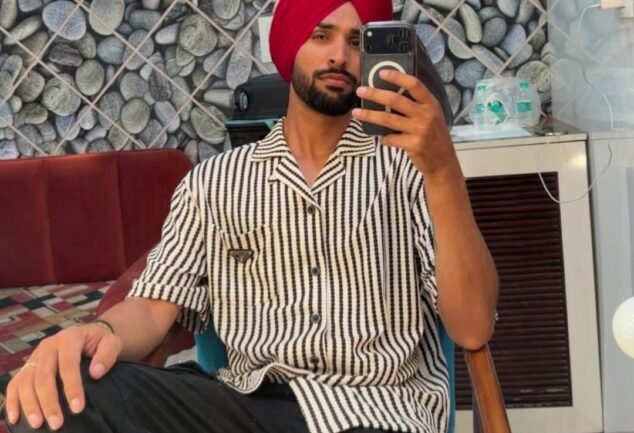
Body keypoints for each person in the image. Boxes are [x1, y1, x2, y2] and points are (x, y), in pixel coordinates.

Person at [4, 0, 498, 432]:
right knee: (52, 397)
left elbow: (473, 328)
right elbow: (154, 308)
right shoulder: (213, 183)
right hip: (244, 407)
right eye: (320, 35)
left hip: (377, 409)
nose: (338, 56)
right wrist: (100, 333)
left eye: (356, 42)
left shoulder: (411, 170)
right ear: (289, 46)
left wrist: (444, 171)